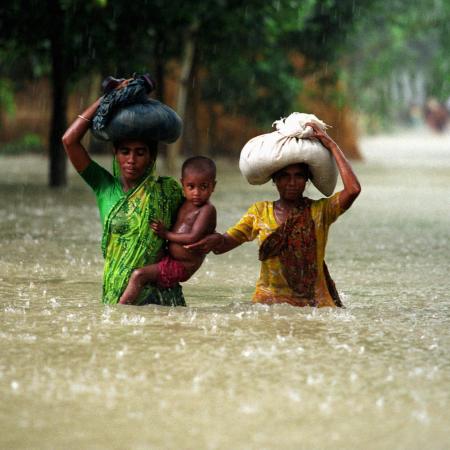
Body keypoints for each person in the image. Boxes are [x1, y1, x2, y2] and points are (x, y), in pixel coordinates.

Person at [186, 122, 361, 307]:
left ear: (306, 180)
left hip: (313, 305)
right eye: (285, 176)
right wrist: (213, 240)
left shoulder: (320, 211)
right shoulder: (260, 212)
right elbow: (223, 245)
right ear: (275, 180)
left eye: (299, 176)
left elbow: (353, 189)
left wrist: (332, 146)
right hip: (268, 305)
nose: (292, 182)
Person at [62, 81, 186, 306]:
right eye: (125, 152)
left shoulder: (168, 190)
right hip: (115, 291)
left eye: (140, 153)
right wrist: (108, 98)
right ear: (115, 153)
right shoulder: (104, 186)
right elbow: (69, 141)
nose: (131, 160)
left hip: (160, 299)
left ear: (151, 156)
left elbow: (192, 230)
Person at [118, 156, 217, 304]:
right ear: (182, 184)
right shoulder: (184, 202)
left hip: (182, 265)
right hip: (170, 258)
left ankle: (119, 310)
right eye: (191, 187)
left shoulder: (207, 210)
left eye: (203, 187)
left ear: (213, 186)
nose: (196, 192)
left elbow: (193, 237)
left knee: (138, 275)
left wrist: (165, 234)